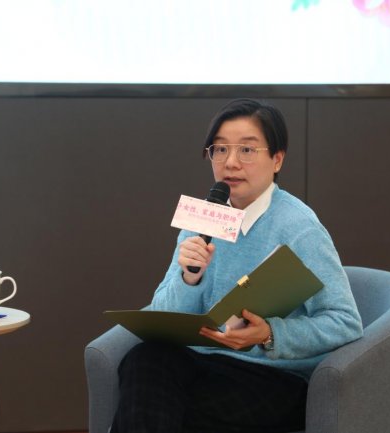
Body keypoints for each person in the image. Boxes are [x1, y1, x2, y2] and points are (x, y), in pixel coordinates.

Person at [110, 98, 363, 433]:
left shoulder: (299, 228)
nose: (230, 162)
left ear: (277, 159)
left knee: (156, 405)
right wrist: (189, 279)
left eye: (246, 150)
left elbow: (345, 323)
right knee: (144, 360)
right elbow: (162, 317)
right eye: (220, 149)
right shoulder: (203, 219)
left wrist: (270, 334)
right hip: (204, 363)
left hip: (274, 378)